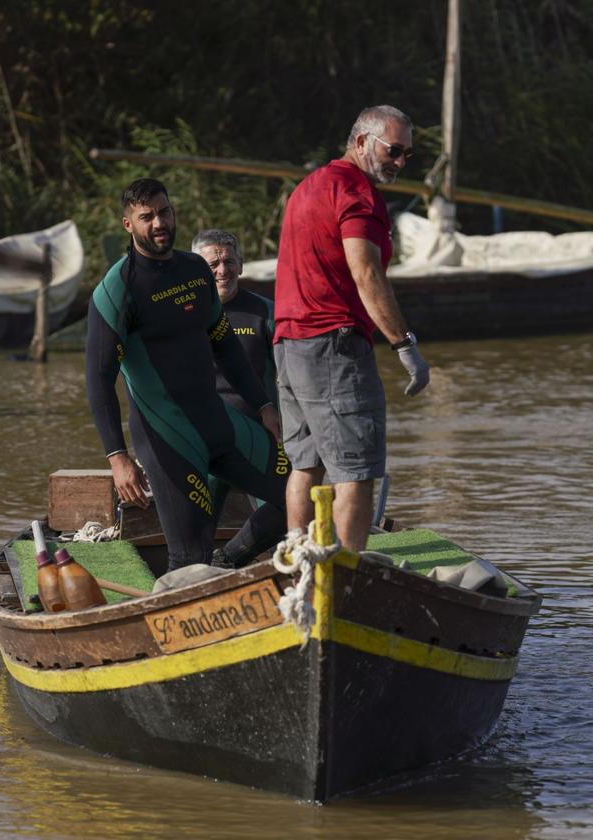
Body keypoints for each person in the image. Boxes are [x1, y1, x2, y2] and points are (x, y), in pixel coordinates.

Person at [85, 178, 289, 572]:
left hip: (219, 421)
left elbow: (225, 344)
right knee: (189, 555)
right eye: (147, 217)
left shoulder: (195, 269)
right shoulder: (116, 290)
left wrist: (264, 404)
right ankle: (190, 614)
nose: (159, 223)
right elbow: (98, 378)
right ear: (128, 225)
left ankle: (228, 565)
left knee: (297, 495)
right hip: (168, 437)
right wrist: (117, 457)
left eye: (164, 212)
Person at [273, 104, 430, 553]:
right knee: (356, 472)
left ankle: (298, 568)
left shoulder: (308, 187)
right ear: (361, 142)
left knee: (305, 466)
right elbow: (366, 273)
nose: (400, 162)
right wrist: (404, 344)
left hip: (289, 343)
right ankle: (343, 581)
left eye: (408, 155)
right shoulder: (355, 192)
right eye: (394, 150)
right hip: (332, 346)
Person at [191, 229, 277, 535]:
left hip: (260, 435)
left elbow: (292, 374)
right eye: (212, 264)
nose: (222, 270)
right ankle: (200, 570)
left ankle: (231, 559)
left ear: (241, 264)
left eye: (229, 261)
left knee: (284, 508)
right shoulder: (184, 316)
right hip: (205, 441)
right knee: (197, 527)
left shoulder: (265, 312)